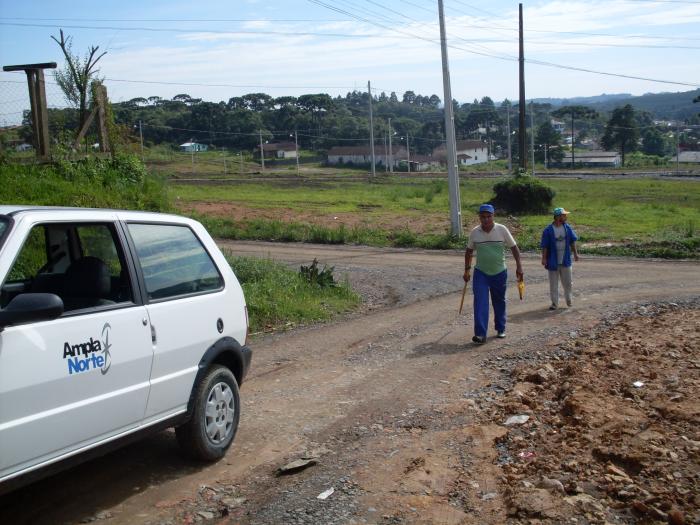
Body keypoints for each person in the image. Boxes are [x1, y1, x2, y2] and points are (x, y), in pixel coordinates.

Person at [463, 204, 523, 344]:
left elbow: (514, 248)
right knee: (480, 302)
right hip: (481, 273)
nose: (486, 219)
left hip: (499, 272)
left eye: (488, 216)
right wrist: (467, 270)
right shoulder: (475, 232)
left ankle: (500, 328)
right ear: (479, 217)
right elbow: (469, 251)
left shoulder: (502, 229)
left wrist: (519, 267)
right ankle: (480, 334)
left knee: (499, 301)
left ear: (493, 216)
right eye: (483, 217)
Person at [540, 207, 579, 310]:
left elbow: (572, 241)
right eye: (564, 215)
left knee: (568, 282)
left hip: (565, 260)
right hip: (552, 260)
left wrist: (575, 254)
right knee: (553, 283)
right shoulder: (548, 230)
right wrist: (544, 258)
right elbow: (545, 246)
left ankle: (569, 299)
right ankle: (554, 303)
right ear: (558, 217)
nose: (566, 216)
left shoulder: (567, 228)